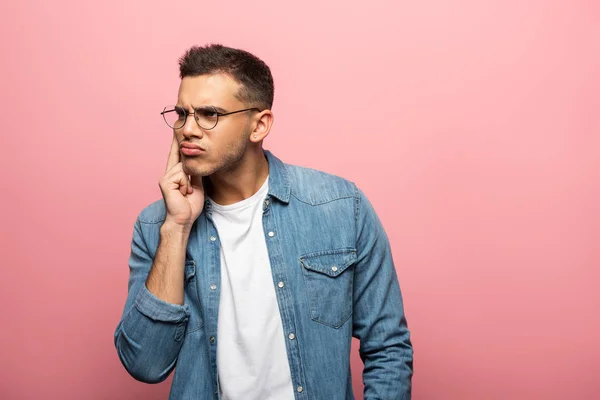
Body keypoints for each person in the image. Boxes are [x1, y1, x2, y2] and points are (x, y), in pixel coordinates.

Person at [113, 43, 413, 400]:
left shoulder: (340, 207)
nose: (188, 129)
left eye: (209, 114)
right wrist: (177, 228)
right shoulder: (156, 227)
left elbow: (388, 347)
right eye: (182, 113)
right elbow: (145, 364)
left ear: (259, 125)